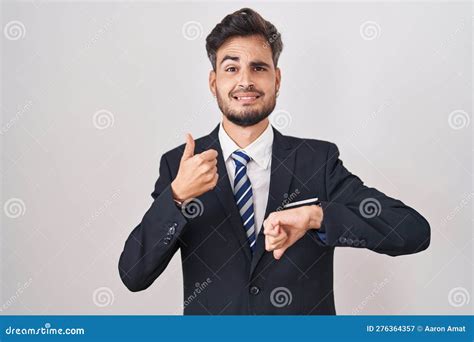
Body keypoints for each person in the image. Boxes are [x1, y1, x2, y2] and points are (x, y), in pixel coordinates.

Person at [118, 7, 430, 315]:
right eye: (231, 68)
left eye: (258, 68)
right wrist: (177, 196)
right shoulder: (180, 165)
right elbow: (133, 274)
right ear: (213, 83)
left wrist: (316, 217)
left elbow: (414, 232)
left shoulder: (317, 162)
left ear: (276, 80)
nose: (245, 81)